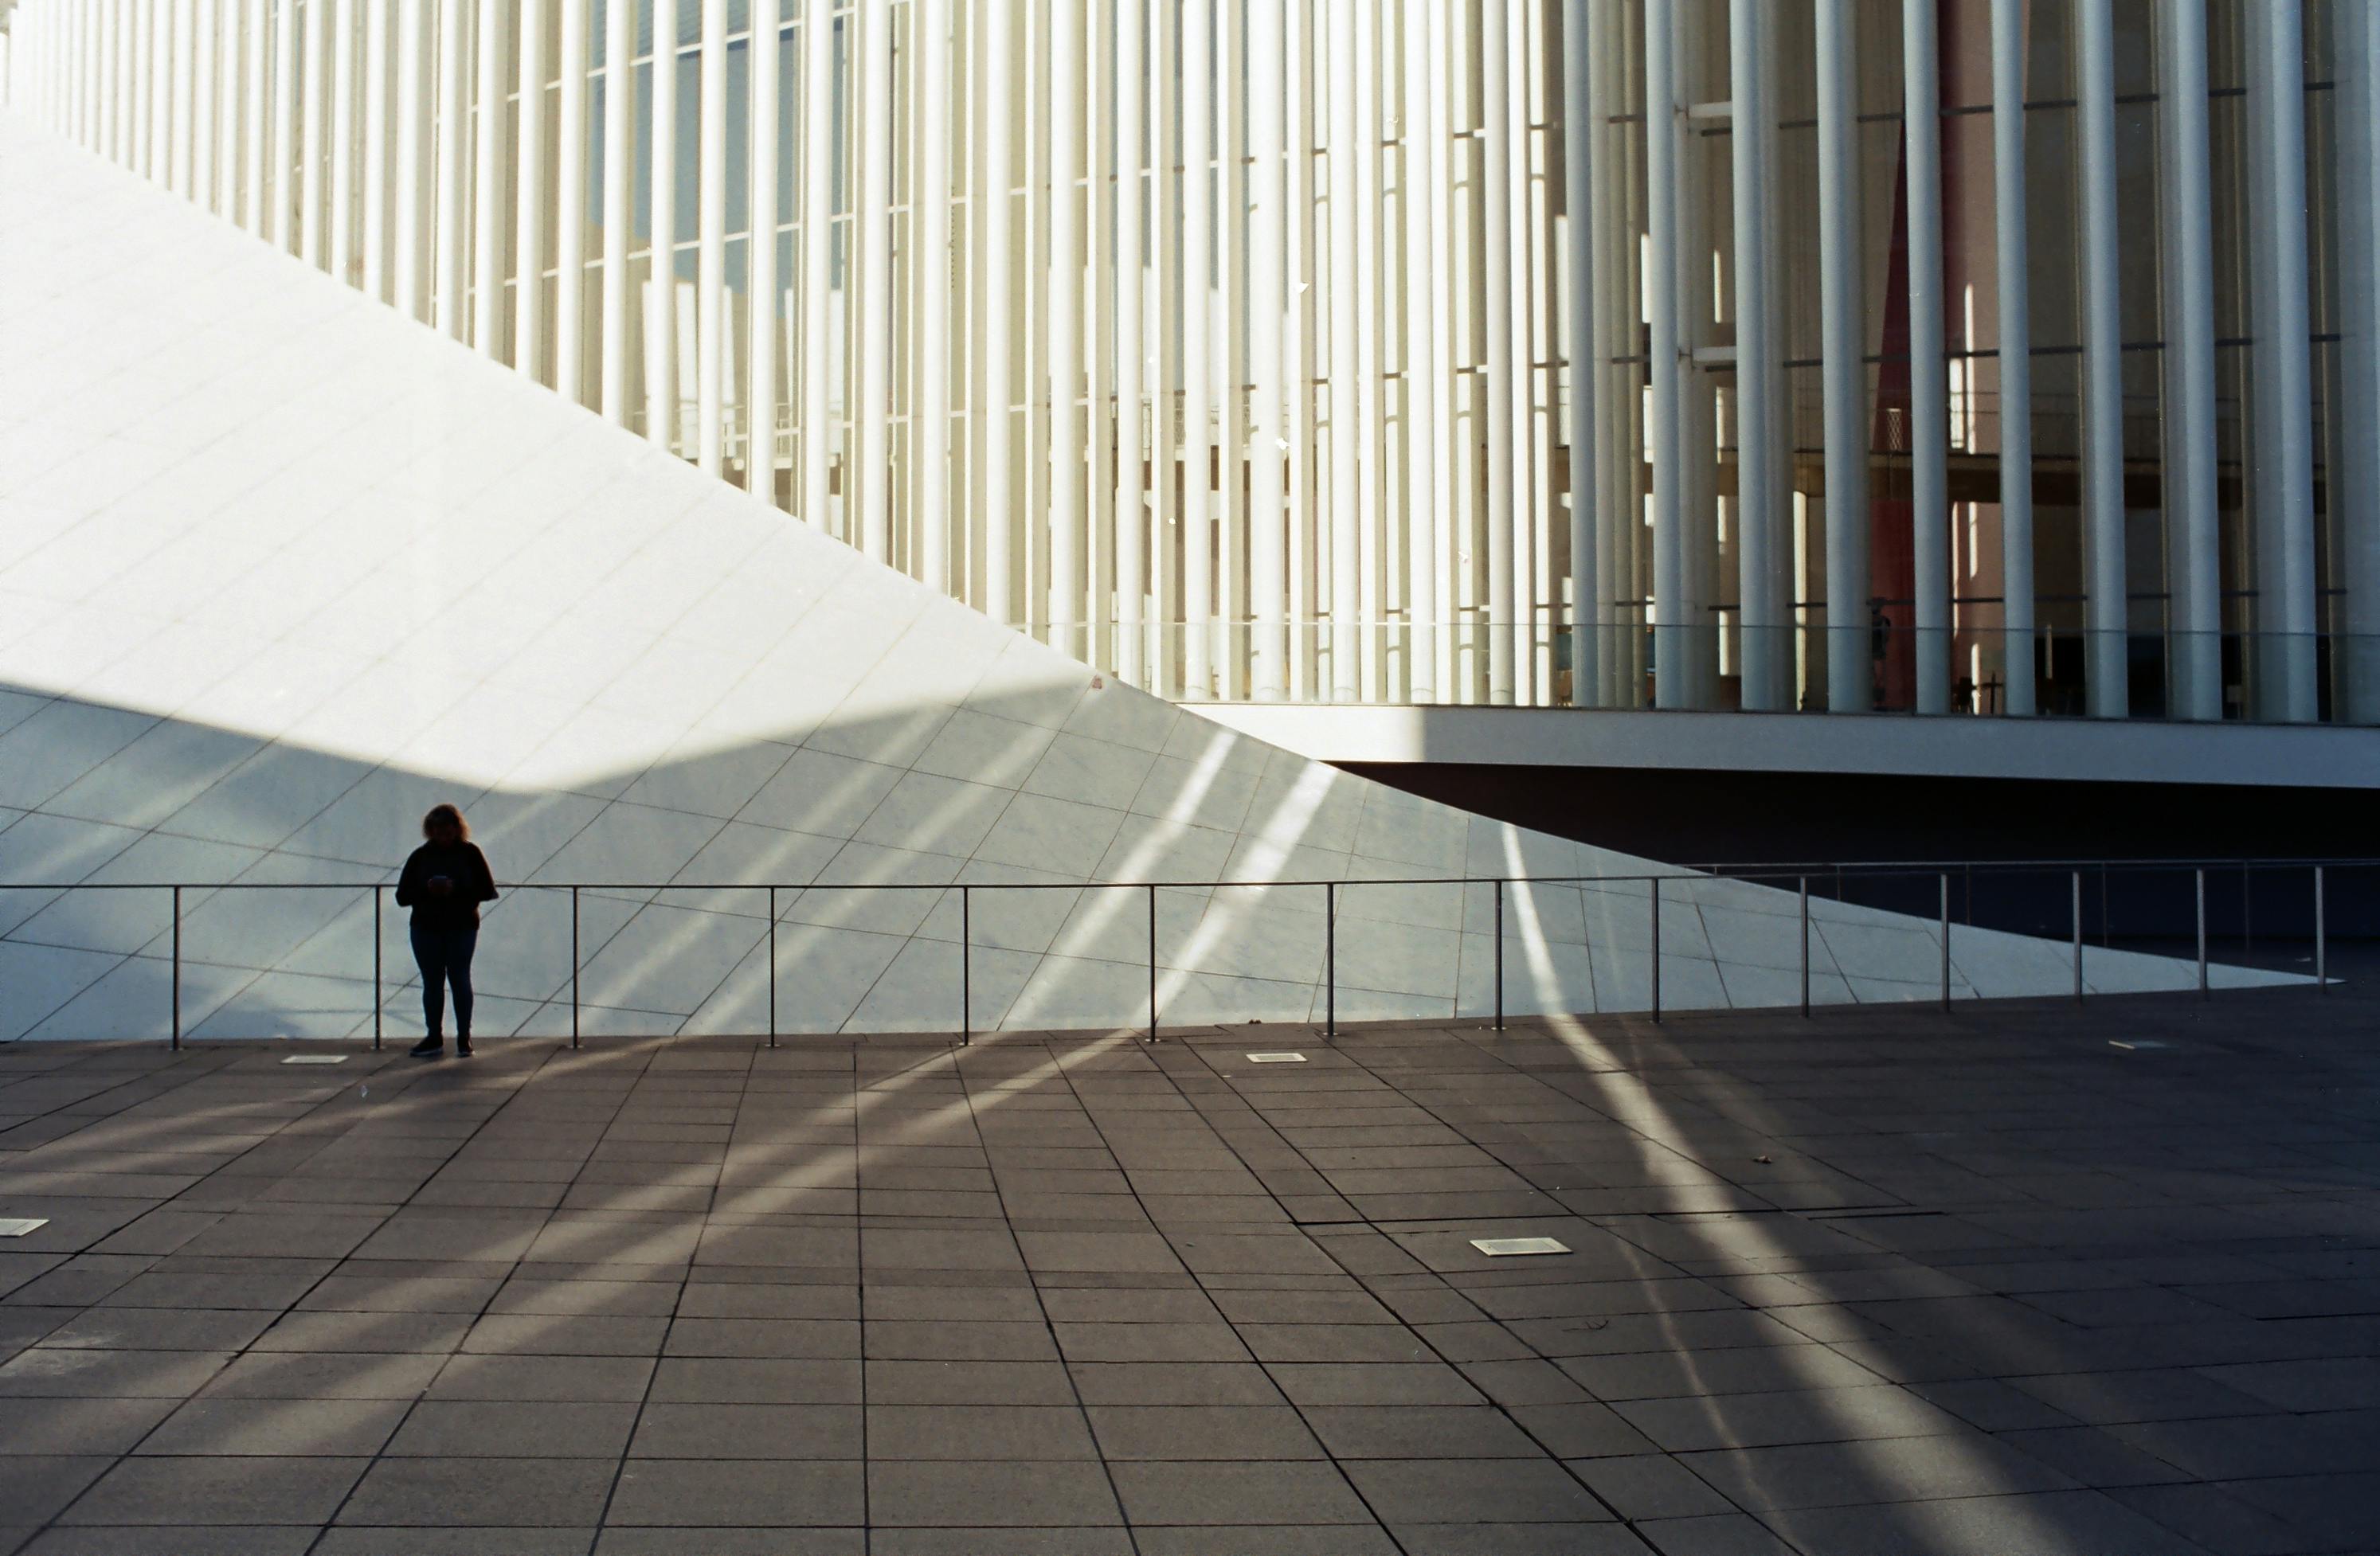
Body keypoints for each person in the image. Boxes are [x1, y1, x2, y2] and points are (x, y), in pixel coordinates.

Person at [394, 803, 498, 1058]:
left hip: (457, 927)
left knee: (458, 979)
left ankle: (462, 1037)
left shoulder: (470, 854)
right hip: (429, 927)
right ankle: (437, 1036)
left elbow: (487, 890)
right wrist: (429, 890)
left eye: (447, 830)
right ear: (430, 831)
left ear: (456, 829)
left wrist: (453, 891)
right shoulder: (421, 856)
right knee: (435, 982)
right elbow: (402, 896)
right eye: (438, 830)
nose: (443, 835)